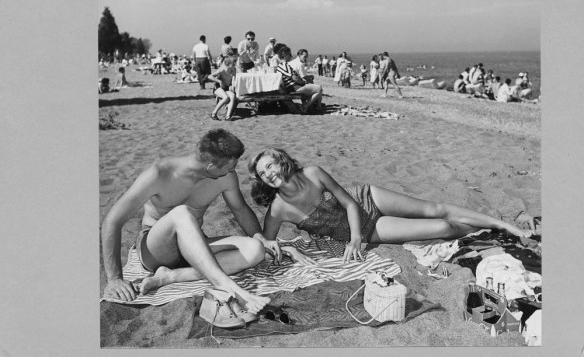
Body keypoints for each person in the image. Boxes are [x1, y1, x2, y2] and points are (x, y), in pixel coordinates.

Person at [101, 129, 277, 315]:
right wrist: (115, 278)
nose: (233, 170)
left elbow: (240, 209)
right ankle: (228, 287)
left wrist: (261, 238)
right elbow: (112, 221)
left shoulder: (225, 177)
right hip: (156, 249)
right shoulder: (159, 174)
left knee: (255, 249)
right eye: (231, 166)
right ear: (211, 167)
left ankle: (170, 277)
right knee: (182, 213)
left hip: (194, 247)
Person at [248, 148, 534, 263]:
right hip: (373, 227)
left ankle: (502, 223)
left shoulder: (312, 173)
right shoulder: (277, 209)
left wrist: (355, 238)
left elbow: (348, 202)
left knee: (434, 208)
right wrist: (290, 251)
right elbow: (266, 242)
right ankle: (490, 229)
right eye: (262, 173)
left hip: (366, 199)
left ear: (281, 160)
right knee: (444, 228)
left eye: (270, 165)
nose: (269, 174)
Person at [276, 45, 323, 113]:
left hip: (291, 87)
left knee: (316, 89)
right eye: (289, 54)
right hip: (295, 87)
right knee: (319, 88)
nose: (291, 56)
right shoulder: (284, 65)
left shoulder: (280, 66)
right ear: (285, 55)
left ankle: (315, 107)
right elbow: (295, 78)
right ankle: (305, 106)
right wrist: (302, 82)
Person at [208, 56, 238, 121]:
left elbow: (234, 79)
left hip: (226, 88)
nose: (234, 65)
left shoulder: (234, 70)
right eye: (233, 64)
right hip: (218, 87)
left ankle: (228, 116)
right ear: (228, 64)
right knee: (226, 97)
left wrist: (232, 86)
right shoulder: (222, 70)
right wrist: (219, 81)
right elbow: (209, 76)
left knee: (232, 96)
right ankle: (214, 113)